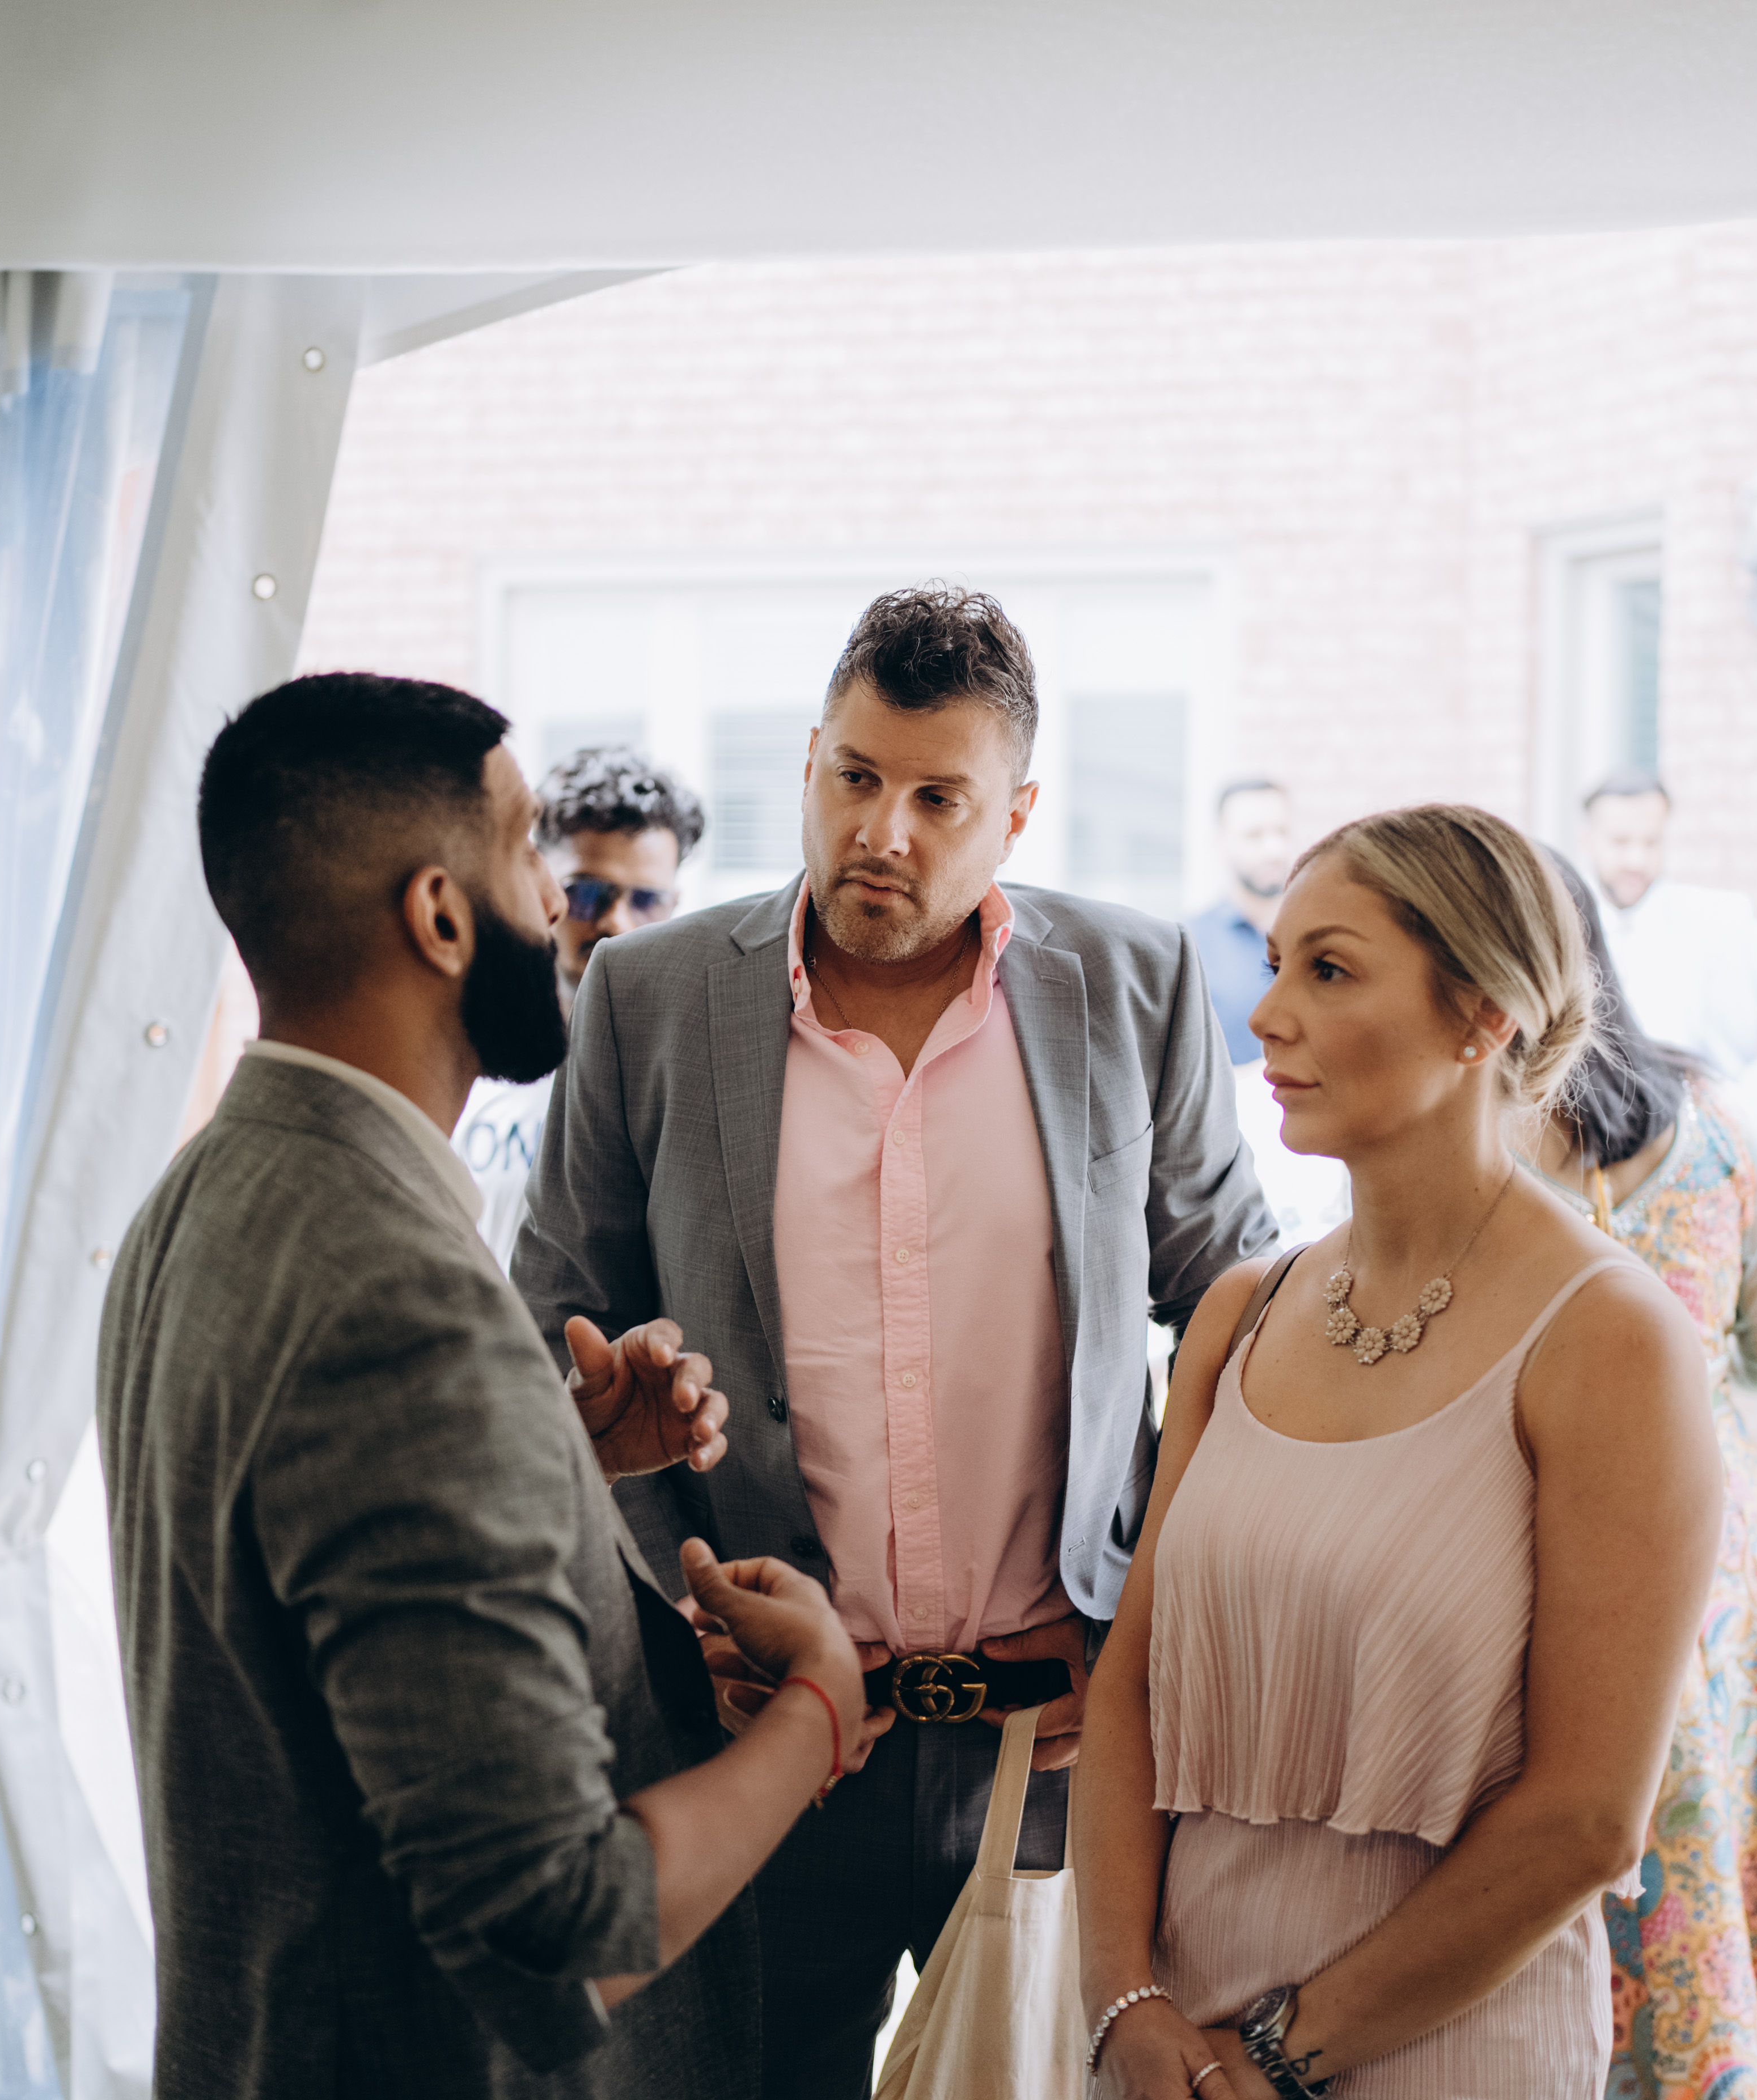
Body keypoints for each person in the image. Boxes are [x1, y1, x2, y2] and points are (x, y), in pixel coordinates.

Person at [515, 585, 1277, 2098]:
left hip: (1056, 1741)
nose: (884, 832)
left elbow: (1236, 1313)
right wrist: (684, 1611)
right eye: (855, 777)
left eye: (940, 799)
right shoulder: (650, 997)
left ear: (1016, 814)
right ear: (806, 762)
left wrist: (1146, 1626)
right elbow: (554, 1334)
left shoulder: (1133, 985)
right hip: (768, 1742)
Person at [95, 673, 884, 2100]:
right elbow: (554, 1927)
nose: (559, 901)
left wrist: (553, 1448)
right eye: (528, 851)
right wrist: (817, 1710)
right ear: (440, 916)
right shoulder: (399, 1302)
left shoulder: (203, 1197)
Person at [1074, 803, 1722, 2099]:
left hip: (1443, 2047)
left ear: (1481, 1015)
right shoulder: (1236, 1315)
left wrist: (1275, 2053)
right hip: (1167, 2054)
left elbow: (1587, 1818)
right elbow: (1130, 1695)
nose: (1266, 1015)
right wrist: (1125, 2004)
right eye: (1274, 966)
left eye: (1328, 970)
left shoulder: (1610, 1341)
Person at [1528, 854, 1757, 2100]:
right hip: (1711, 1575)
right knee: (1713, 1866)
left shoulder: (1469, 1152)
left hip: (1533, 1564)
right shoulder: (1716, 1126)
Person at [456, 744, 708, 1265]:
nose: (616, 922)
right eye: (588, 893)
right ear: (539, 884)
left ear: (675, 907)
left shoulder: (692, 1083)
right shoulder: (463, 1061)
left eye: (646, 900)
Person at [1578, 770, 1757, 1132]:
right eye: (1620, 842)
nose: (1637, 860)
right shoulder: (1562, 928)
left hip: (1709, 1138)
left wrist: (1755, 1100)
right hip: (1597, 1141)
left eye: (1652, 842)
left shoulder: (1722, 921)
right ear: (1588, 839)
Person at [1189, 778, 1299, 1066]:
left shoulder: (1322, 935)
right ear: (1221, 844)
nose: (1274, 849)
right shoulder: (1191, 946)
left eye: (1282, 832)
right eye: (1254, 835)